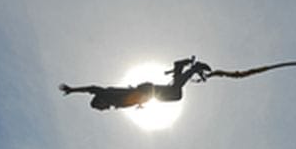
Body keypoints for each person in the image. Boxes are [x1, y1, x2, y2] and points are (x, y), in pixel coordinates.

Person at [59, 57, 211, 111]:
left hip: (146, 91)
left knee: (175, 92)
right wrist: (139, 103)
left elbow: (91, 88)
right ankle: (179, 66)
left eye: (100, 107)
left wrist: (72, 90)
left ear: (100, 101)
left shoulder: (105, 94)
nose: (104, 109)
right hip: (147, 95)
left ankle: (193, 68)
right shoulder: (115, 104)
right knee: (175, 93)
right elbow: (130, 99)